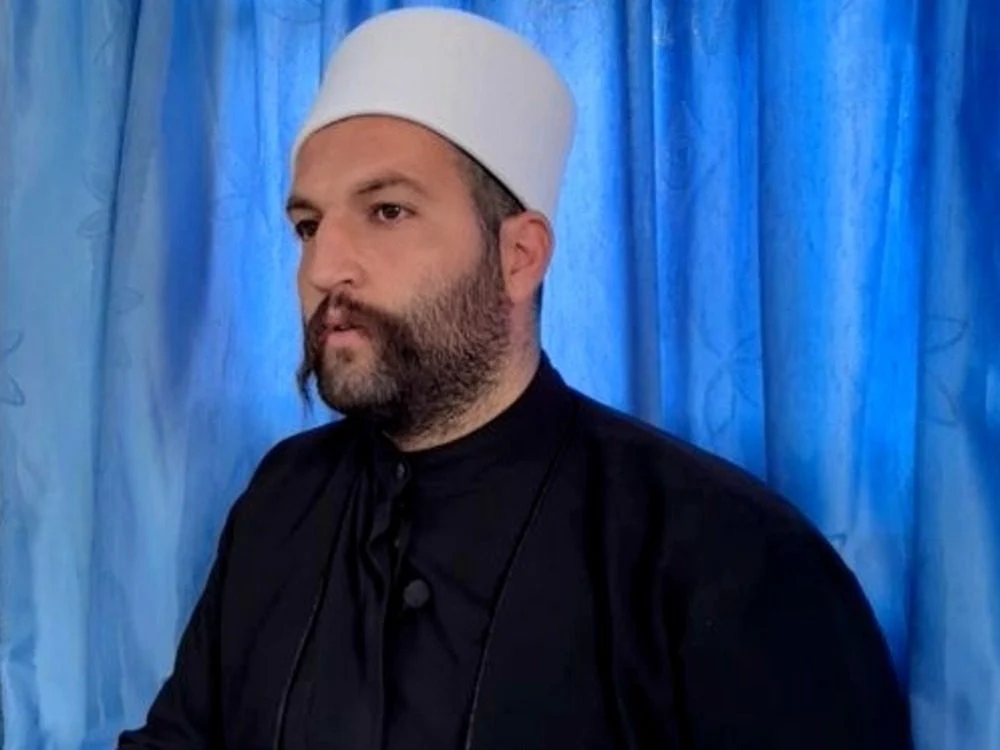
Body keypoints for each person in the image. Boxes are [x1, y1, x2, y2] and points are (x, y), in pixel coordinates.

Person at [118, 7, 913, 750]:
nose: (325, 267)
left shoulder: (732, 559)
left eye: (387, 211)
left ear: (520, 256)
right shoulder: (281, 501)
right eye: (307, 225)